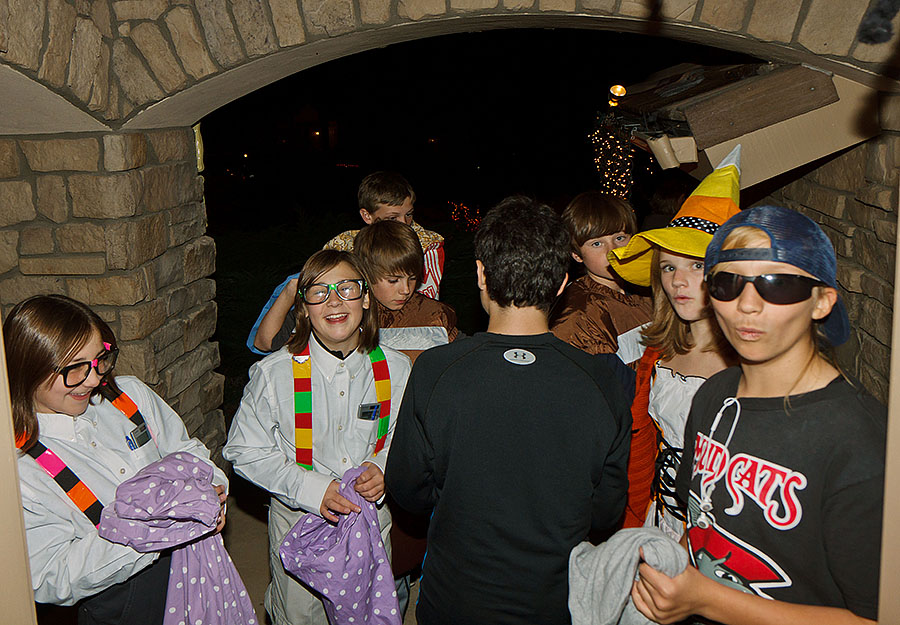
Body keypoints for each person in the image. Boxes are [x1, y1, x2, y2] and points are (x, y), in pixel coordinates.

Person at [631, 205, 885, 625]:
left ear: (822, 301)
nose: (747, 305)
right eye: (728, 283)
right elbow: (700, 527)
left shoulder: (859, 441)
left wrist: (706, 600)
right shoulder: (713, 397)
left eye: (777, 284)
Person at [385, 196, 631, 625]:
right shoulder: (603, 381)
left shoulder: (436, 369)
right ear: (560, 284)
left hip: (456, 599)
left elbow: (407, 488)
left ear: (481, 274)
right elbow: (607, 510)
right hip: (557, 602)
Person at [5, 294, 228, 624]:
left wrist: (212, 492)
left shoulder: (129, 396)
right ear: (29, 369)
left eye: (100, 360)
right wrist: (152, 533)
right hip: (121, 599)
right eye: (75, 369)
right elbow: (52, 575)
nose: (94, 379)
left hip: (195, 563)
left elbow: (188, 451)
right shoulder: (19, 468)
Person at [224, 249, 412, 625]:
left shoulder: (396, 367)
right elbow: (243, 449)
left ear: (365, 298)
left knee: (370, 610)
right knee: (300, 614)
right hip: (298, 527)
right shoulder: (274, 374)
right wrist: (310, 488)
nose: (334, 302)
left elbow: (406, 437)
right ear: (304, 308)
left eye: (346, 288)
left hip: (371, 523)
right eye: (319, 292)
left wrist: (383, 465)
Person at [608, 146, 740, 537]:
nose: (677, 281)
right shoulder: (657, 352)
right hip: (660, 520)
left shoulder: (752, 364)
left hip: (720, 536)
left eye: (696, 265)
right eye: (668, 267)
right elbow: (642, 445)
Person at [248, 171, 445, 354]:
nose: (403, 223)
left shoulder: (428, 247)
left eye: (408, 214)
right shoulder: (344, 254)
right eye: (392, 218)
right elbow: (265, 343)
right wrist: (293, 290)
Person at [550, 191, 653, 366]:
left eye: (620, 238)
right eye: (597, 244)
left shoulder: (648, 287)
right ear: (576, 254)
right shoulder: (579, 313)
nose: (611, 251)